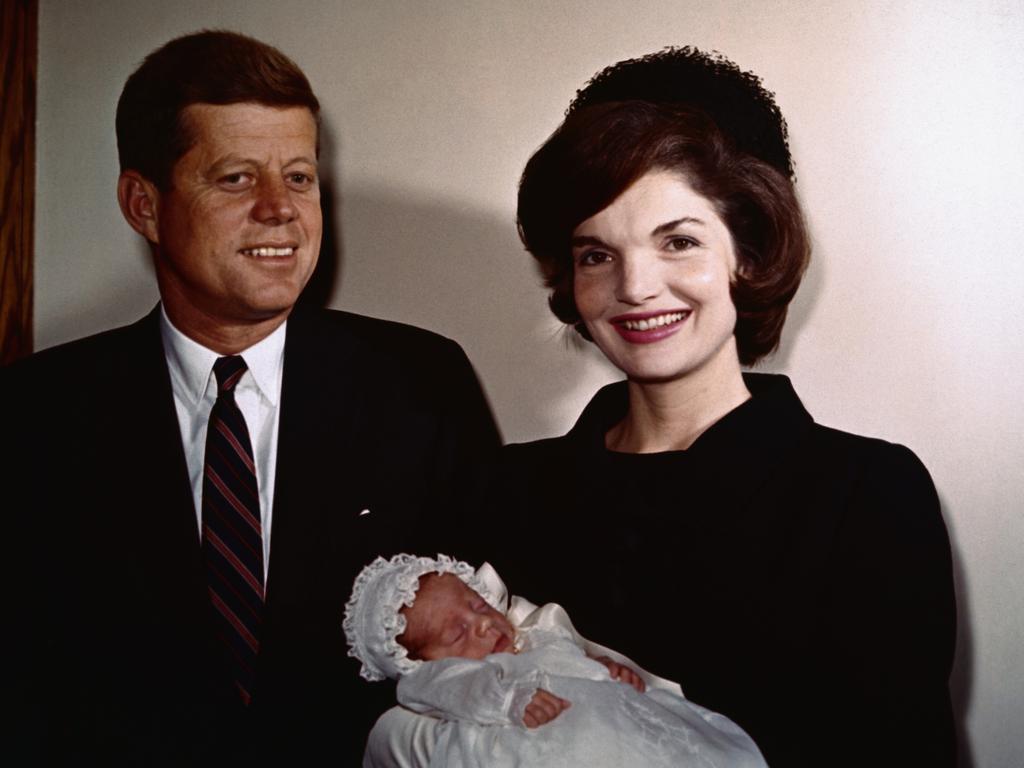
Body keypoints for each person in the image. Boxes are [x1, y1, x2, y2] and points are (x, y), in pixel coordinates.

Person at [2, 30, 499, 766]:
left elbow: (495, 656)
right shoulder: (32, 416)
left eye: (298, 177)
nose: (280, 210)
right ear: (144, 204)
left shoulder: (422, 383)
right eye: (236, 178)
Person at [468, 48, 957, 767]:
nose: (636, 286)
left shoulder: (865, 495)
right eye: (597, 254)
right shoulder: (505, 490)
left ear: (750, 254)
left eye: (679, 241)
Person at [343, 554, 768, 768]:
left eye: (477, 605)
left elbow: (582, 659)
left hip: (624, 721)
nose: (483, 624)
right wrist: (506, 701)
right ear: (414, 662)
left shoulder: (539, 632)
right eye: (457, 632)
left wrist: (608, 669)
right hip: (561, 743)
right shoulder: (444, 679)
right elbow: (442, 690)